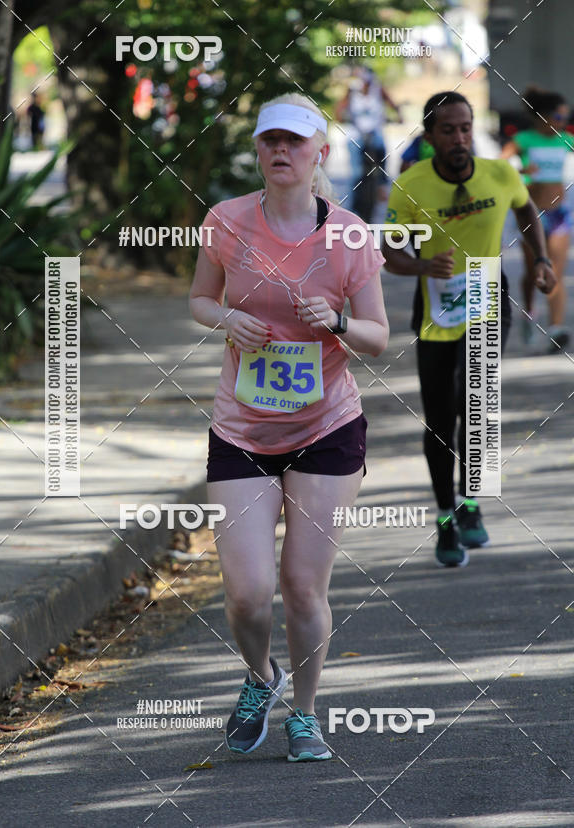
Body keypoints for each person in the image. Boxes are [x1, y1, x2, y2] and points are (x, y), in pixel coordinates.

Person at [189, 92, 388, 761]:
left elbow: (379, 337)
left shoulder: (350, 237)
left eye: (294, 142)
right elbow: (196, 299)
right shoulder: (227, 222)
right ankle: (260, 678)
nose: (281, 151)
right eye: (269, 141)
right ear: (258, 151)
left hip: (326, 428)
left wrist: (334, 323)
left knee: (303, 584)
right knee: (247, 596)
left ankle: (304, 712)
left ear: (319, 155)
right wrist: (226, 319)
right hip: (242, 430)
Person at [382, 92, 556, 568]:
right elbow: (389, 253)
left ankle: (471, 502)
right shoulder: (411, 185)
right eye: (448, 130)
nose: (459, 138)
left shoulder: (499, 174)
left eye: (465, 128)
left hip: (485, 293)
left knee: (475, 405)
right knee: (440, 418)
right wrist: (421, 267)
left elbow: (524, 209)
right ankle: (444, 516)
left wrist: (539, 259)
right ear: (430, 136)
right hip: (436, 306)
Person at [501, 86, 572, 352]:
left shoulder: (565, 139)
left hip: (560, 215)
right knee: (534, 273)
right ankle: (529, 313)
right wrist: (522, 170)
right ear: (541, 116)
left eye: (565, 117)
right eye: (557, 116)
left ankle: (556, 329)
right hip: (531, 214)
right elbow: (498, 166)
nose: (562, 122)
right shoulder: (524, 140)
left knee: (555, 271)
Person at [336, 68, 401, 219]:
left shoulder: (378, 89)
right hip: (356, 133)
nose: (363, 86)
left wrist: (399, 115)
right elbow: (340, 109)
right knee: (356, 171)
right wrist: (341, 117)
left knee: (382, 149)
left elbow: (392, 104)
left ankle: (382, 186)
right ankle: (353, 204)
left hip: (375, 131)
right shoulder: (351, 91)